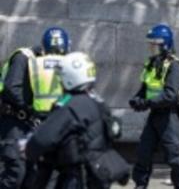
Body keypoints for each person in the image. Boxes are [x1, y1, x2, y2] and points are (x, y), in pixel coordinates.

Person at [27, 50, 128, 189]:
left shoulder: (70, 105)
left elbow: (43, 138)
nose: (60, 81)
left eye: (61, 77)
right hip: (97, 174)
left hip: (77, 178)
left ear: (70, 78)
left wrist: (27, 148)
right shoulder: (98, 101)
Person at [0, 27, 71, 188]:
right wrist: (31, 110)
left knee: (33, 176)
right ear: (45, 49)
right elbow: (12, 88)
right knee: (15, 172)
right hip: (14, 121)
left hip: (32, 124)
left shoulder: (51, 66)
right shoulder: (24, 57)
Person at [130, 24, 179, 189]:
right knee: (144, 152)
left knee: (174, 155)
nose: (150, 47)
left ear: (164, 44)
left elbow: (170, 95)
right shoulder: (151, 63)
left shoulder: (174, 65)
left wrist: (147, 103)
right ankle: (140, 185)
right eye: (150, 44)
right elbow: (145, 89)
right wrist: (137, 99)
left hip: (170, 115)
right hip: (155, 113)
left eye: (154, 44)